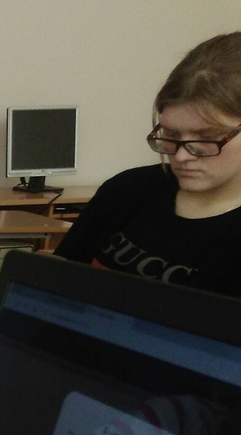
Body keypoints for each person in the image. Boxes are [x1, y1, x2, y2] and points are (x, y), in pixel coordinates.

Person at [54, 31, 241, 298]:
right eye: (171, 134)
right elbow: (55, 285)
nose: (181, 156)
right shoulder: (128, 190)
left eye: (206, 138)